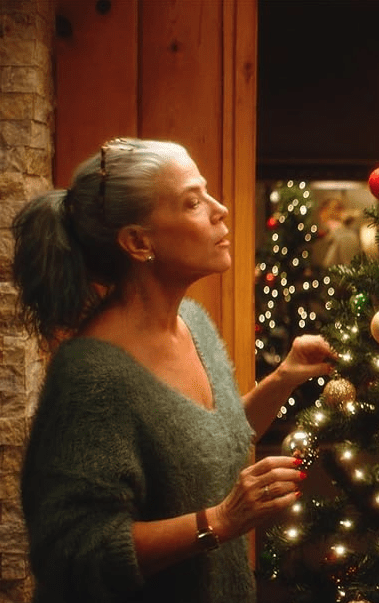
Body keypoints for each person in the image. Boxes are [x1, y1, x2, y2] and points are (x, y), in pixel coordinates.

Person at [10, 138, 337, 602]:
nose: (219, 210)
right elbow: (71, 552)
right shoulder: (91, 377)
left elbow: (212, 439)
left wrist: (285, 376)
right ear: (139, 241)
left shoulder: (194, 324)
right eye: (193, 201)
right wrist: (221, 521)